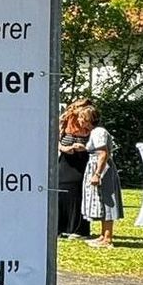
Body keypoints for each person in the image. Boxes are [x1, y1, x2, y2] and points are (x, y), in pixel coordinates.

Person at [77, 102, 123, 248]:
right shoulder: (94, 132)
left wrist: (97, 173)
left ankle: (108, 239)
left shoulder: (98, 132)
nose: (79, 120)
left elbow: (103, 153)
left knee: (107, 201)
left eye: (81, 117)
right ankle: (103, 235)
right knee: (101, 200)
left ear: (88, 119)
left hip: (103, 170)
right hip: (98, 166)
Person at [56, 99, 91, 239]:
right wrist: (64, 148)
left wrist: (83, 148)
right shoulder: (64, 121)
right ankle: (59, 226)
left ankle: (78, 229)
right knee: (61, 188)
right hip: (66, 159)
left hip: (81, 160)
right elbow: (55, 139)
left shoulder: (88, 122)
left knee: (77, 190)